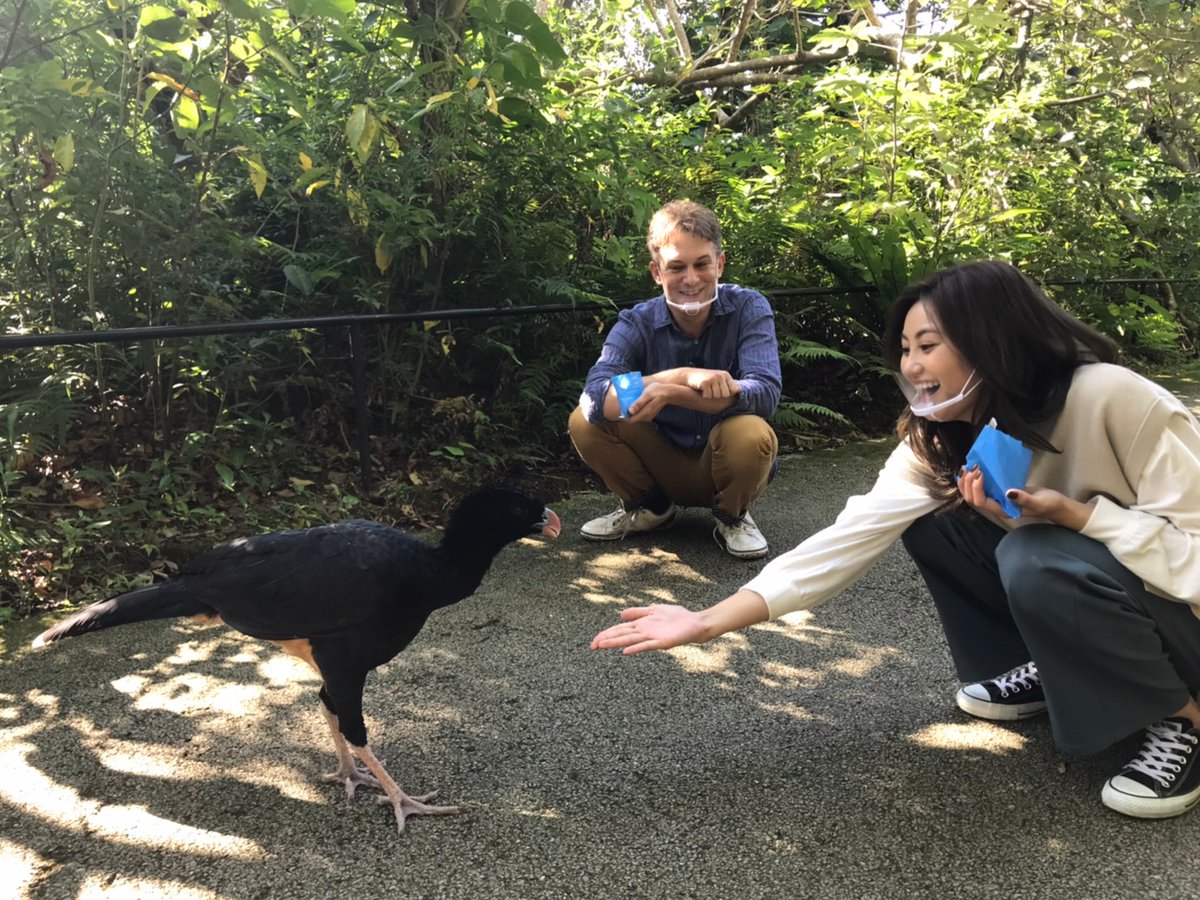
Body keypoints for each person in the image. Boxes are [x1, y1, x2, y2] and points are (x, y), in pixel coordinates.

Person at [591, 259, 1200, 820]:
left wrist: (1083, 518)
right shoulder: (942, 436)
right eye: (905, 349)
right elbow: (849, 537)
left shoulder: (1111, 397)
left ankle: (1181, 717)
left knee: (1032, 553)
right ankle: (1054, 666)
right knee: (936, 522)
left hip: (1183, 618)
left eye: (928, 346)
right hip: (1111, 589)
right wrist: (707, 622)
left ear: (991, 340)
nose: (910, 366)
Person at [569, 200, 782, 559]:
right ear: (657, 272)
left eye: (702, 264)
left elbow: (764, 393)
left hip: (724, 455)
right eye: (676, 267)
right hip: (661, 458)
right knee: (583, 423)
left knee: (750, 432)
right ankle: (650, 509)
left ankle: (732, 516)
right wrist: (678, 377)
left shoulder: (749, 307)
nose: (691, 279)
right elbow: (593, 399)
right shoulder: (636, 321)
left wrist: (673, 394)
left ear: (720, 263)